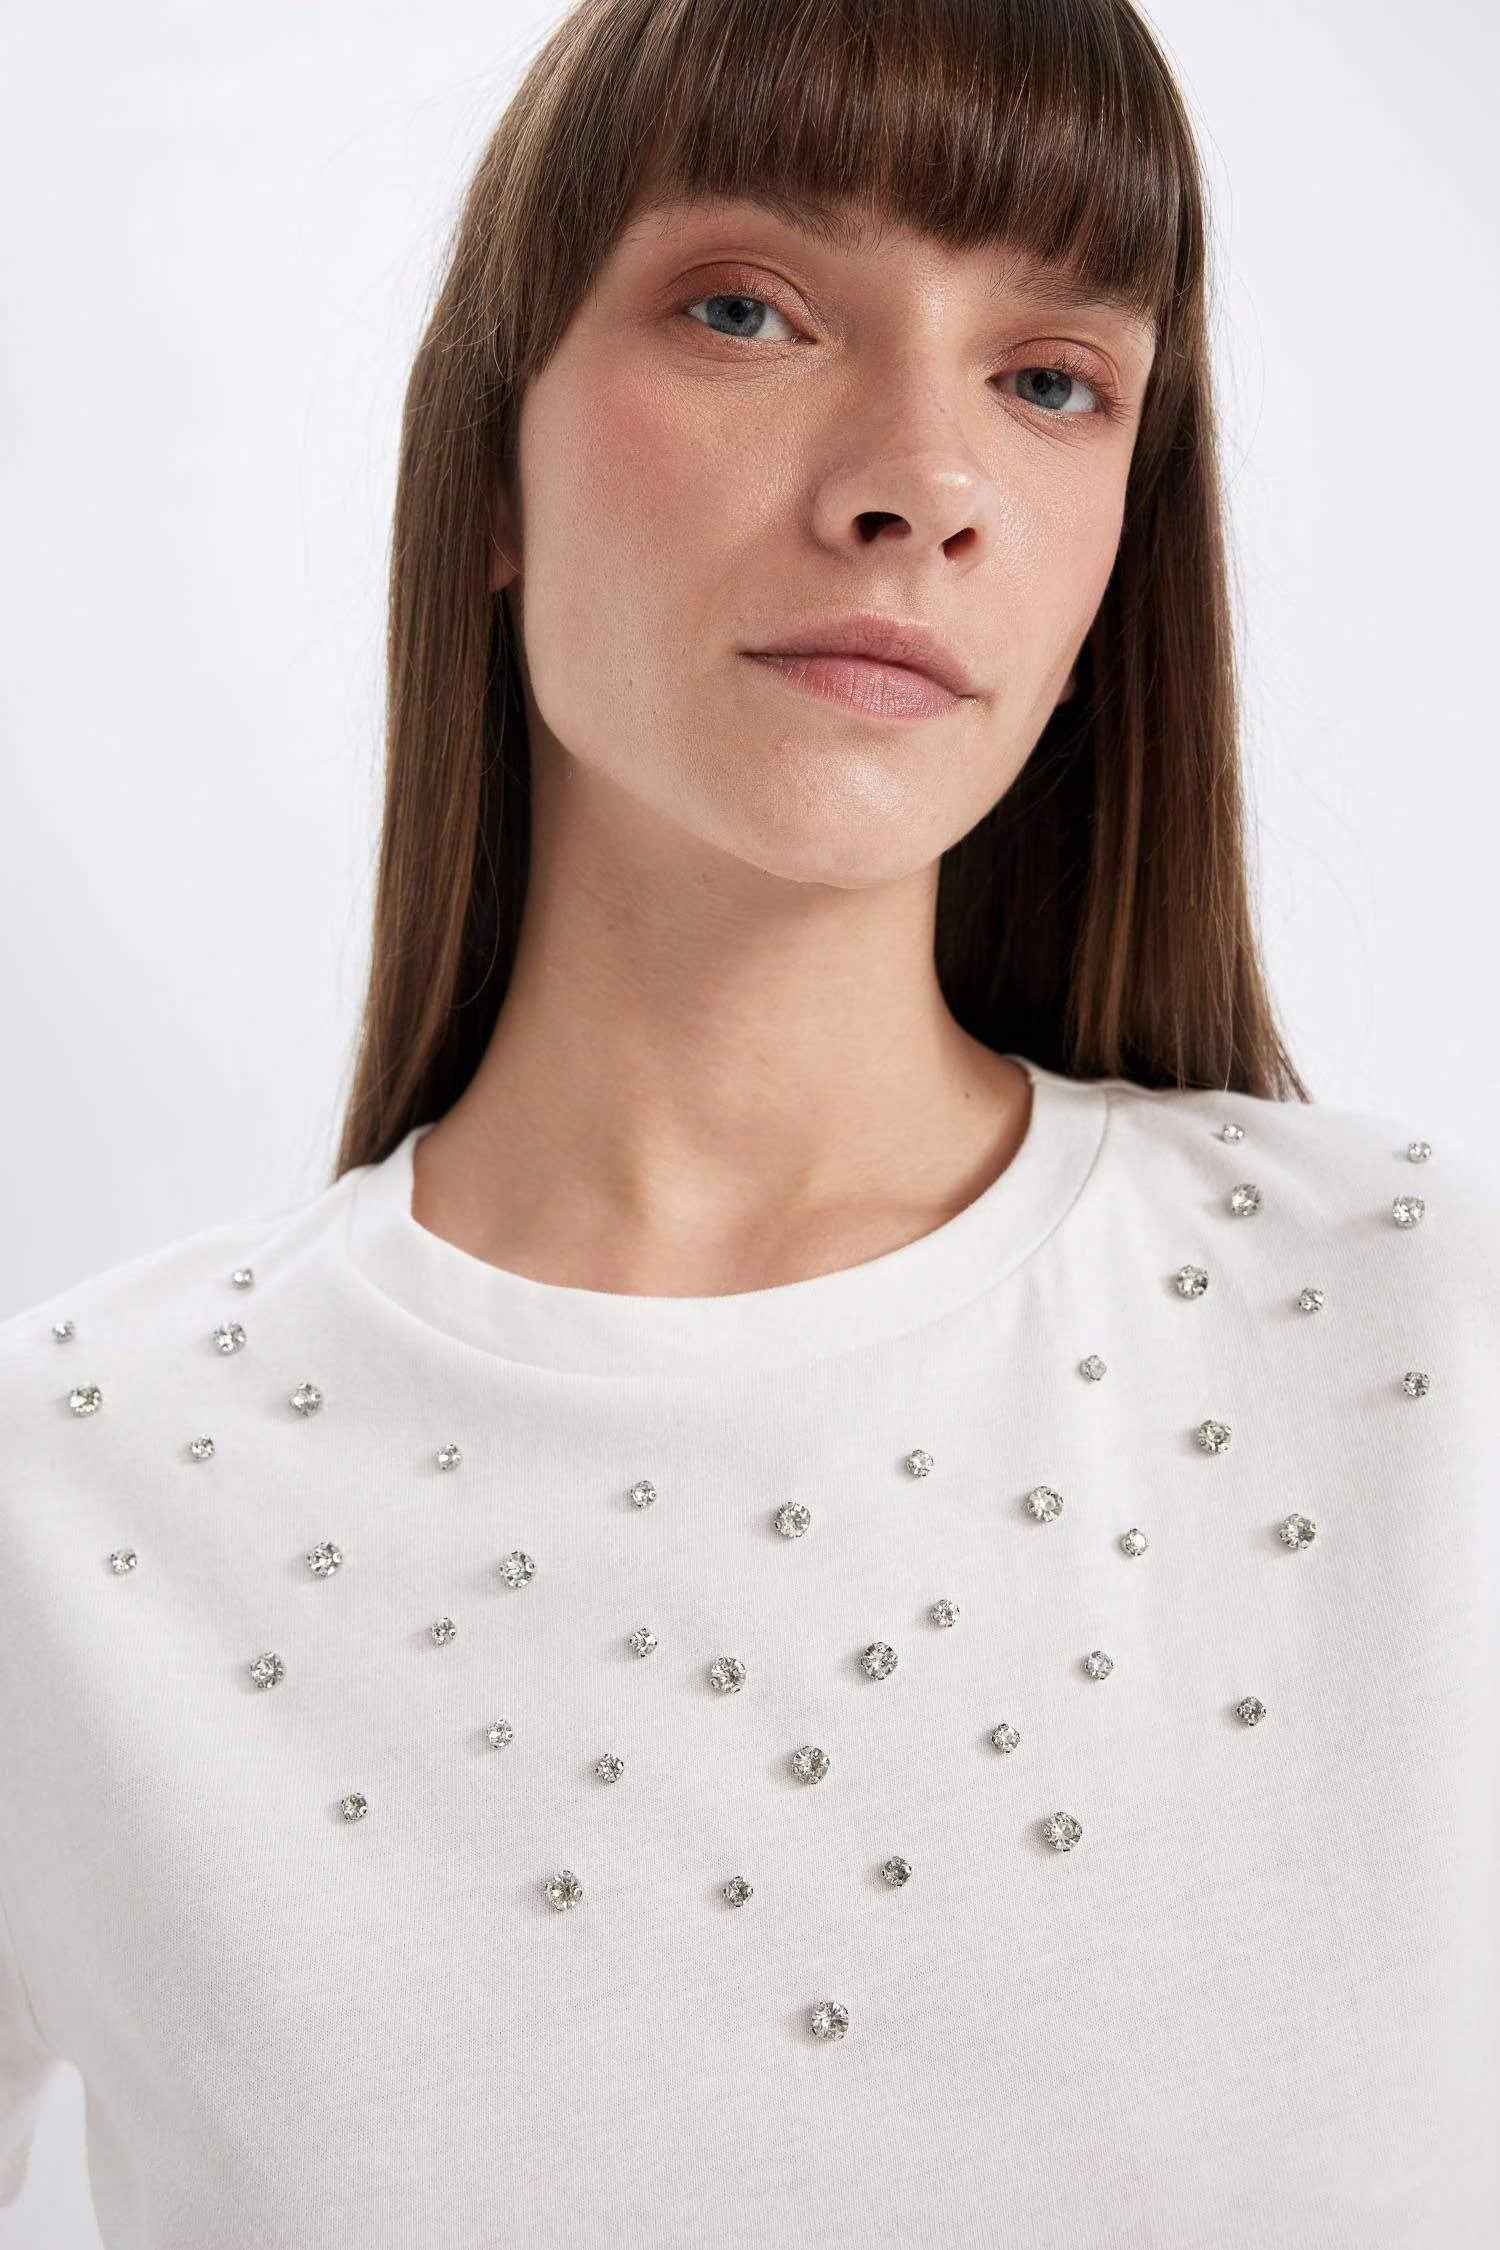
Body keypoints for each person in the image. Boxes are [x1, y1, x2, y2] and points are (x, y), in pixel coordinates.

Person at [2, 0, 1496, 2242]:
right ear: (489, 468)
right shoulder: (68, 1497)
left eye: (1051, 379)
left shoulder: (1436, 1347)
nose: (921, 480)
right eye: (746, 311)